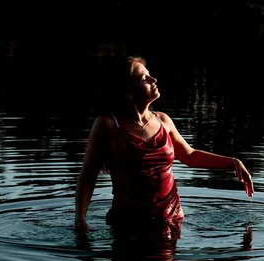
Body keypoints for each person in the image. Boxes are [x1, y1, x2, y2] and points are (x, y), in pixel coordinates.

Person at [74, 55, 254, 232]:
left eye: (150, 74)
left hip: (172, 221)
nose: (154, 79)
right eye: (145, 78)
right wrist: (80, 220)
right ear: (128, 91)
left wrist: (232, 162)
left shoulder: (163, 120)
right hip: (128, 224)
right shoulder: (108, 125)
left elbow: (189, 155)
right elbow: (89, 175)